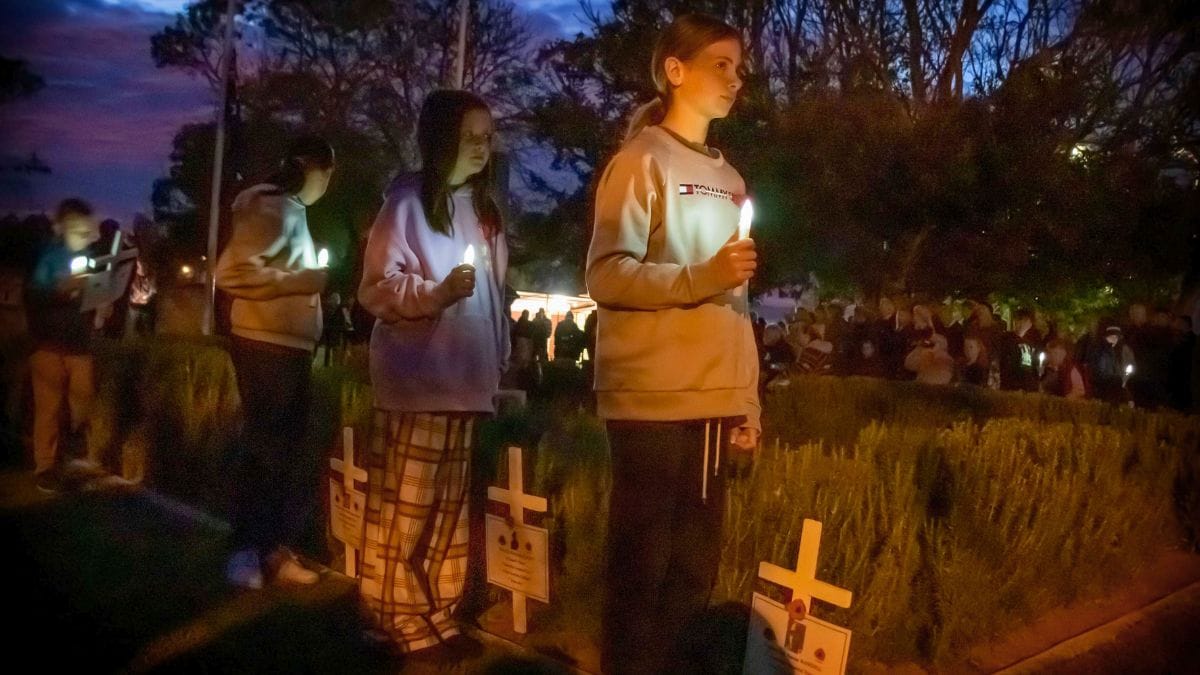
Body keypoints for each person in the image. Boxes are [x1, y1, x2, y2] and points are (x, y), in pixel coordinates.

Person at [585, 14, 760, 674]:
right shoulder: (642, 162)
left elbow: (736, 305)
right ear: (675, 70)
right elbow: (607, 274)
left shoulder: (731, 178)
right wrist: (701, 276)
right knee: (642, 567)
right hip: (651, 396)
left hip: (712, 400)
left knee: (693, 568)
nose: (735, 79)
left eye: (739, 68)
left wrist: (747, 398)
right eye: (721, 65)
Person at [357, 90, 508, 657]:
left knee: (447, 509)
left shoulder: (485, 213)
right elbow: (377, 287)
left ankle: (437, 606)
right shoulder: (407, 204)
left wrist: (498, 355)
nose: (480, 147)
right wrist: (437, 294)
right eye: (469, 137)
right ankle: (393, 611)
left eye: (486, 137)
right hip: (419, 377)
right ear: (440, 139)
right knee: (407, 506)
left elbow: (494, 295)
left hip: (467, 381)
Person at [216, 135, 334, 589]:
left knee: (283, 453)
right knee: (266, 451)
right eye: (327, 172)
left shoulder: (289, 210)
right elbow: (231, 272)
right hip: (265, 344)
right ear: (310, 168)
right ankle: (245, 550)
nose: (328, 182)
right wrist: (301, 281)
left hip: (288, 346)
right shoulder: (271, 207)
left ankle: (271, 548)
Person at [25, 198, 104, 493]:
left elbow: (92, 294)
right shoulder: (47, 258)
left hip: (79, 343)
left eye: (88, 231)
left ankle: (73, 454)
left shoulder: (90, 258)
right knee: (48, 407)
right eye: (79, 231)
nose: (86, 237)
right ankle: (45, 466)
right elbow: (34, 296)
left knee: (83, 400)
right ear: (62, 228)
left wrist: (101, 300)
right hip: (48, 343)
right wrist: (62, 289)